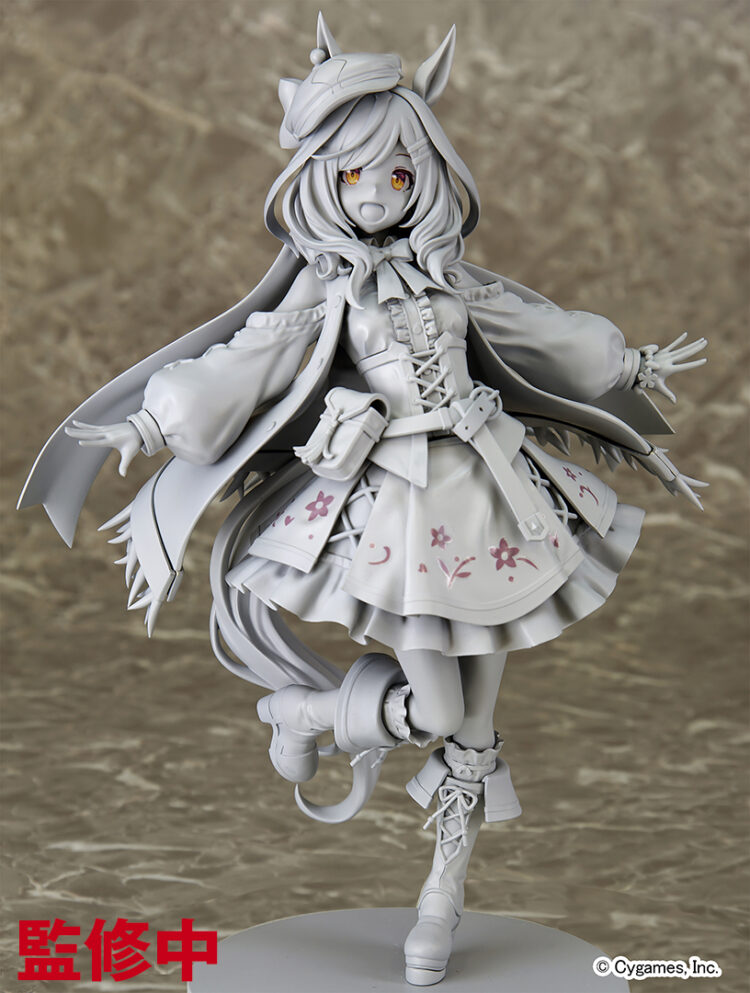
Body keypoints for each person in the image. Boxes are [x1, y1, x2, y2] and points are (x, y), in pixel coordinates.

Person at [19, 15, 706, 987]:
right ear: (320, 182)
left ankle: (442, 893)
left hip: (496, 492)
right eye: (351, 176)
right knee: (435, 702)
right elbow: (247, 356)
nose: (375, 193)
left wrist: (623, 363)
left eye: (395, 173)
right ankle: (305, 714)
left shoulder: (448, 278)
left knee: (475, 728)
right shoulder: (330, 288)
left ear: (428, 174)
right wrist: (154, 422)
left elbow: (535, 329)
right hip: (402, 508)